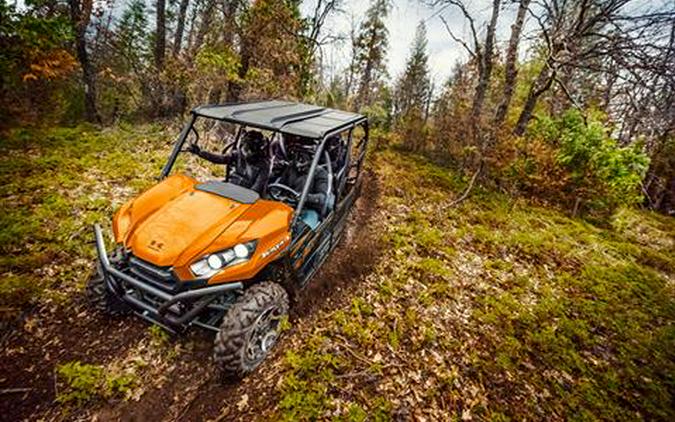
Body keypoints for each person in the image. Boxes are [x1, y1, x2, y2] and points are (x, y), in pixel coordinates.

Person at [188, 130, 269, 193]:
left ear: (259, 149)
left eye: (251, 149)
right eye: (246, 148)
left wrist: (245, 198)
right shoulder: (238, 154)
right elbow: (220, 159)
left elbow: (256, 188)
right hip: (230, 186)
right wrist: (200, 152)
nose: (247, 152)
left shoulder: (264, 165)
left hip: (246, 194)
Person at [276, 137, 330, 229]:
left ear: (311, 157)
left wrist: (306, 197)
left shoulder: (320, 173)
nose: (298, 159)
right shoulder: (291, 167)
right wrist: (276, 193)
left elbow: (322, 197)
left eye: (301, 156)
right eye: (296, 154)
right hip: (288, 205)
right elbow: (280, 184)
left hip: (308, 209)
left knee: (303, 231)